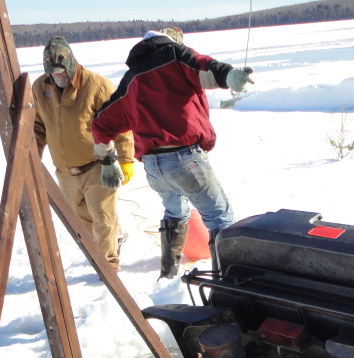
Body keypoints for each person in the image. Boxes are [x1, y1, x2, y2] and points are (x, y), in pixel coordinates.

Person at [88, 27, 253, 278]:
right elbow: (202, 67)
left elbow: (101, 122)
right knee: (221, 218)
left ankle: (168, 274)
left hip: (154, 168)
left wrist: (108, 160)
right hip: (185, 159)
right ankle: (228, 283)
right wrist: (228, 75)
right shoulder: (175, 55)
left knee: (175, 212)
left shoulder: (130, 78)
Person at [33, 36, 134, 271]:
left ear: (70, 65)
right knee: (81, 220)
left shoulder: (96, 85)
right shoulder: (40, 87)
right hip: (65, 172)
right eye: (53, 73)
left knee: (102, 218)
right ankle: (109, 244)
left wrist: (126, 160)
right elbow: (38, 126)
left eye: (61, 72)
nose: (58, 77)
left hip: (98, 166)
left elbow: (121, 122)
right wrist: (33, 155)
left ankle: (108, 267)